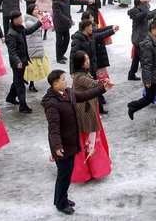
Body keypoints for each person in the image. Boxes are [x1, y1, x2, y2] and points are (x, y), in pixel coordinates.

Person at [41, 69, 114, 215]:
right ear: (55, 84)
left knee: (66, 173)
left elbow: (85, 95)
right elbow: (53, 128)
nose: (66, 81)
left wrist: (103, 89)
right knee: (63, 174)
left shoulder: (68, 93)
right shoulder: (52, 104)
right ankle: (61, 203)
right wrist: (56, 146)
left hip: (71, 142)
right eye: (62, 79)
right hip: (62, 145)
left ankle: (61, 199)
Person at [70, 50, 111, 182]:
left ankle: (91, 169)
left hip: (89, 109)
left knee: (90, 138)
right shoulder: (80, 77)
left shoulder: (82, 74)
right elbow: (93, 84)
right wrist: (104, 83)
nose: (88, 61)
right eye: (86, 60)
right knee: (90, 139)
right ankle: (91, 169)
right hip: (86, 112)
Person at [5, 11, 42, 113]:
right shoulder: (11, 34)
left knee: (18, 80)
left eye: (21, 18)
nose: (21, 20)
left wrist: (40, 23)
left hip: (23, 60)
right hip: (17, 63)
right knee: (20, 83)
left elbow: (29, 31)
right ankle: (23, 105)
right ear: (13, 20)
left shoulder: (20, 29)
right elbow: (12, 52)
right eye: (18, 18)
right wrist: (17, 62)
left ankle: (11, 97)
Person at [52, 0, 93, 65]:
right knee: (59, 41)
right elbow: (59, 15)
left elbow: (76, 0)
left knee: (66, 40)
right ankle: (59, 57)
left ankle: (62, 54)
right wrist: (69, 21)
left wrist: (86, 1)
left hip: (66, 24)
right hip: (59, 24)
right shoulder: (56, 2)